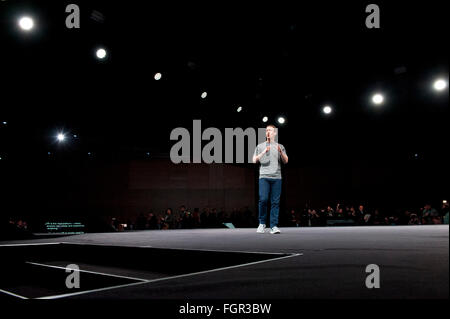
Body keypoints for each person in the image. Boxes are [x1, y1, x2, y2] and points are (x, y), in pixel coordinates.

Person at [252, 124, 288, 234]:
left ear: (275, 133)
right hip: (264, 177)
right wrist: (264, 152)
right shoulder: (260, 146)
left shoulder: (280, 146)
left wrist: (281, 152)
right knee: (263, 199)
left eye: (270, 130)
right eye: (267, 130)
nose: (268, 132)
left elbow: (286, 161)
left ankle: (273, 226)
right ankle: (262, 223)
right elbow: (254, 160)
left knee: (275, 202)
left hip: (277, 178)